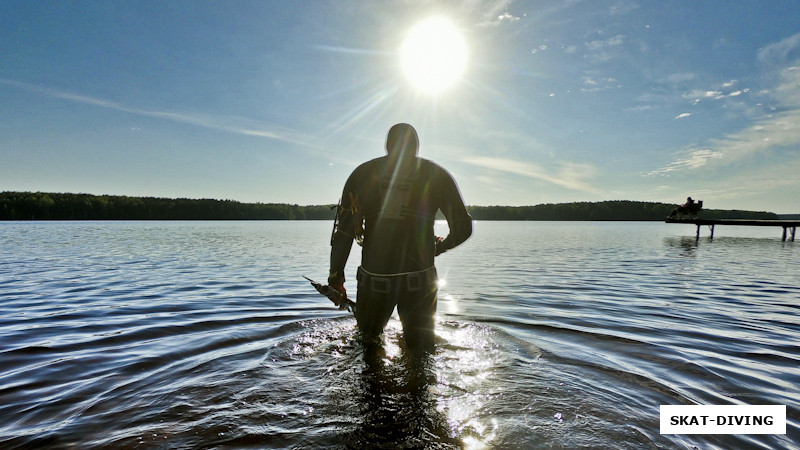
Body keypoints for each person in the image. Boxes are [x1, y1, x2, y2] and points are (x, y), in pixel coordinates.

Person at [328, 123, 472, 353]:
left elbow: (344, 232)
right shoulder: (437, 175)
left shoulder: (362, 174)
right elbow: (463, 228)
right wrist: (439, 248)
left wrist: (336, 276)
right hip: (420, 278)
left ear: (387, 145)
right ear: (416, 146)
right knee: (422, 353)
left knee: (368, 346)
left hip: (375, 279)